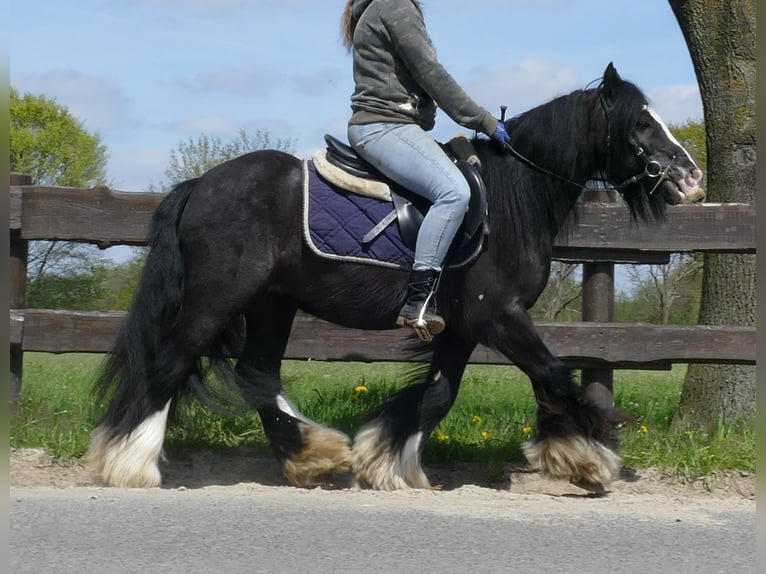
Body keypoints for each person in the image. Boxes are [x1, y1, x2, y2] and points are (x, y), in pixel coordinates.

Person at [341, 0, 510, 338]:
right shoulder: (395, 5)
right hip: (384, 127)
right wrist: (485, 121)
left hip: (393, 126)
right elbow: (431, 72)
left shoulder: (384, 6)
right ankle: (419, 300)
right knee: (453, 192)